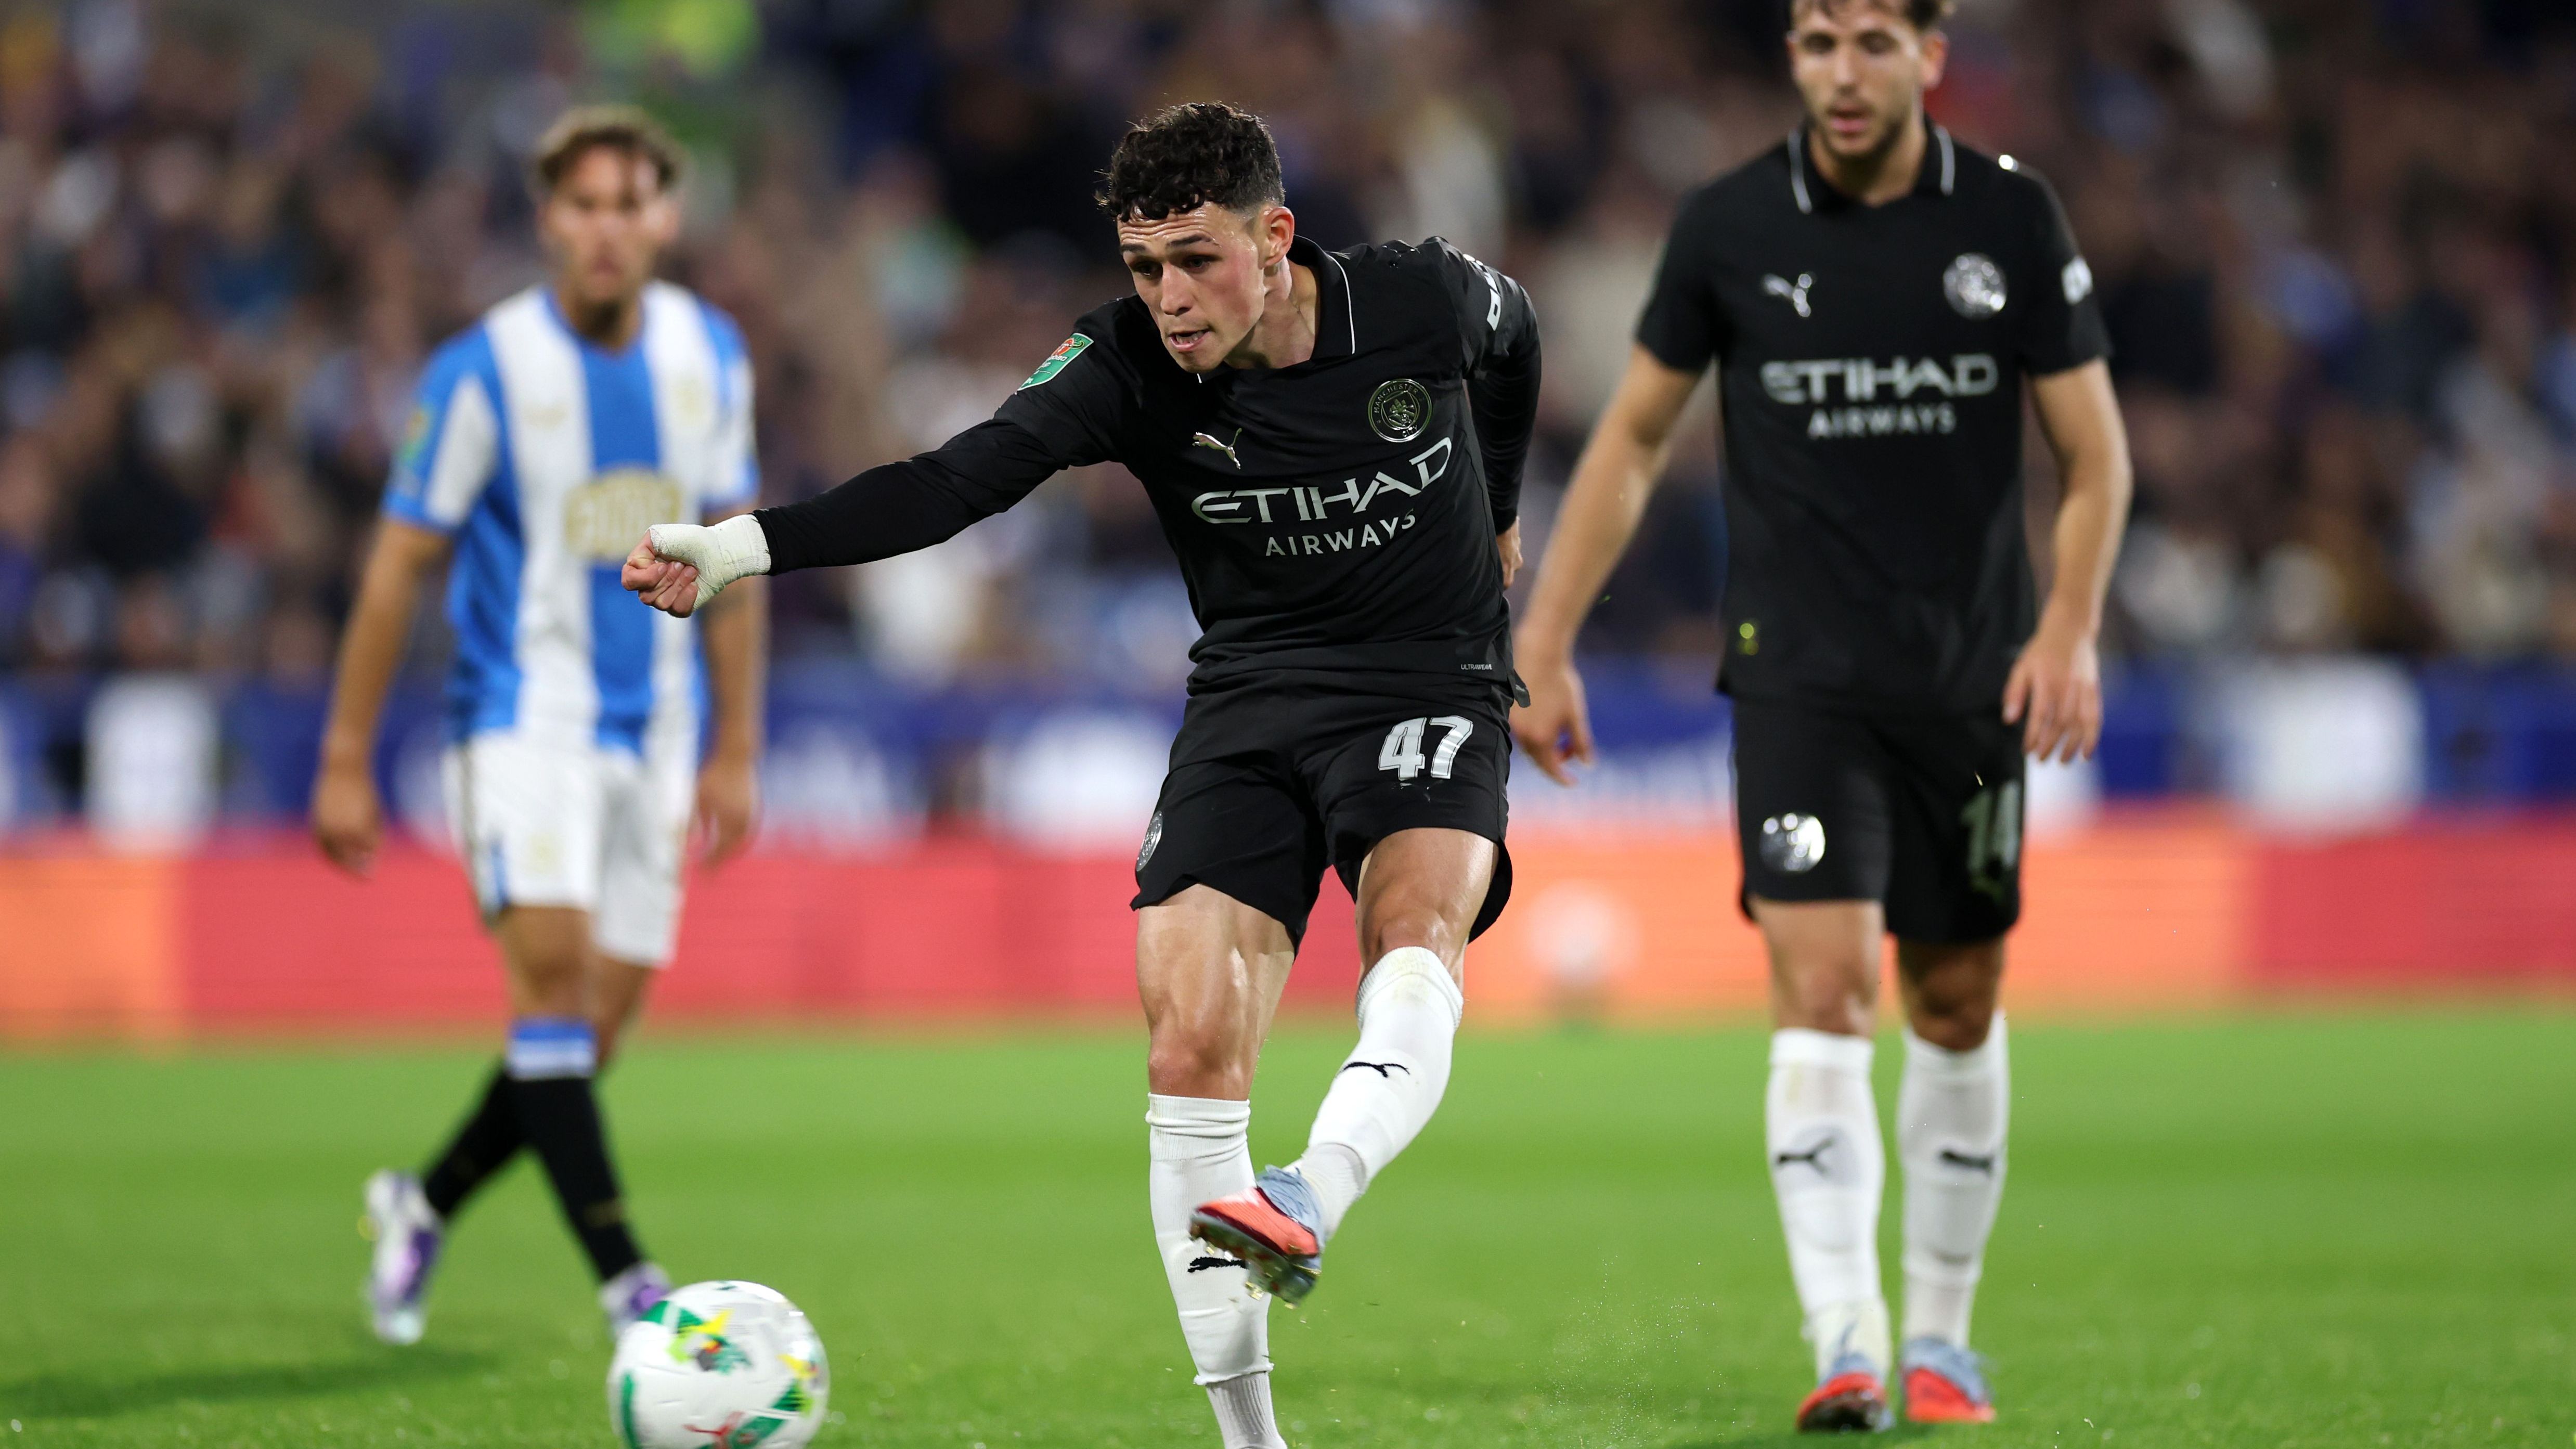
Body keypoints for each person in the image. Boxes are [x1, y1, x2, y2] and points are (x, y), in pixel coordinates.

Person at [626, 101, 1537, 1449]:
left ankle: (1314, 1186)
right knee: (1186, 1041)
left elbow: (1514, 345)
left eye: (1198, 259)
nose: (1169, 297)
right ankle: (1249, 1440)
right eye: (1143, 264)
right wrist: (740, 548)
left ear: (1276, 239)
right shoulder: (1122, 364)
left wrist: (1503, 513)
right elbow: (955, 480)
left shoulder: (1417, 299)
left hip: (1427, 678)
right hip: (1248, 701)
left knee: (1413, 926)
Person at [1510, 0, 2132, 1431]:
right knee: (1824, 988)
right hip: (1795, 677)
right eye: (1812, 42)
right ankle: (1846, 1338)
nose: (1839, 74)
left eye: (1869, 41)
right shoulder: (1731, 226)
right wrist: (1542, 638)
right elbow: (1635, 437)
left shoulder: (2012, 221)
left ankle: (1946, 1339)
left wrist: (2069, 626)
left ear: (1931, 49)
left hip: (1969, 683)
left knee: (1955, 999)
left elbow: (2094, 455)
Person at [311, 105, 767, 1347]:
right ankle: (633, 1286)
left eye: (631, 202)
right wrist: (346, 756)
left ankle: (422, 1200)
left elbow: (732, 554)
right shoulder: (480, 371)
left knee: (585, 1036)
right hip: (522, 719)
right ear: (547, 220)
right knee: (553, 994)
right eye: (584, 204)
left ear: (665, 217)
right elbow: (399, 565)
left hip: (657, 728)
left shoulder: (711, 356)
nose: (607, 227)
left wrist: (734, 743)